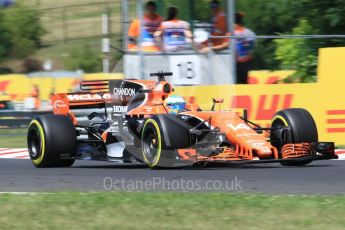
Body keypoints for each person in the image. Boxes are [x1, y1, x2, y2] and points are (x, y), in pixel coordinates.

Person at [200, 13, 256, 84]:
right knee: (245, 84)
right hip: (248, 63)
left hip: (237, 64)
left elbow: (224, 45)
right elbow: (253, 47)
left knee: (236, 85)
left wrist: (210, 48)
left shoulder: (232, 33)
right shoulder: (250, 33)